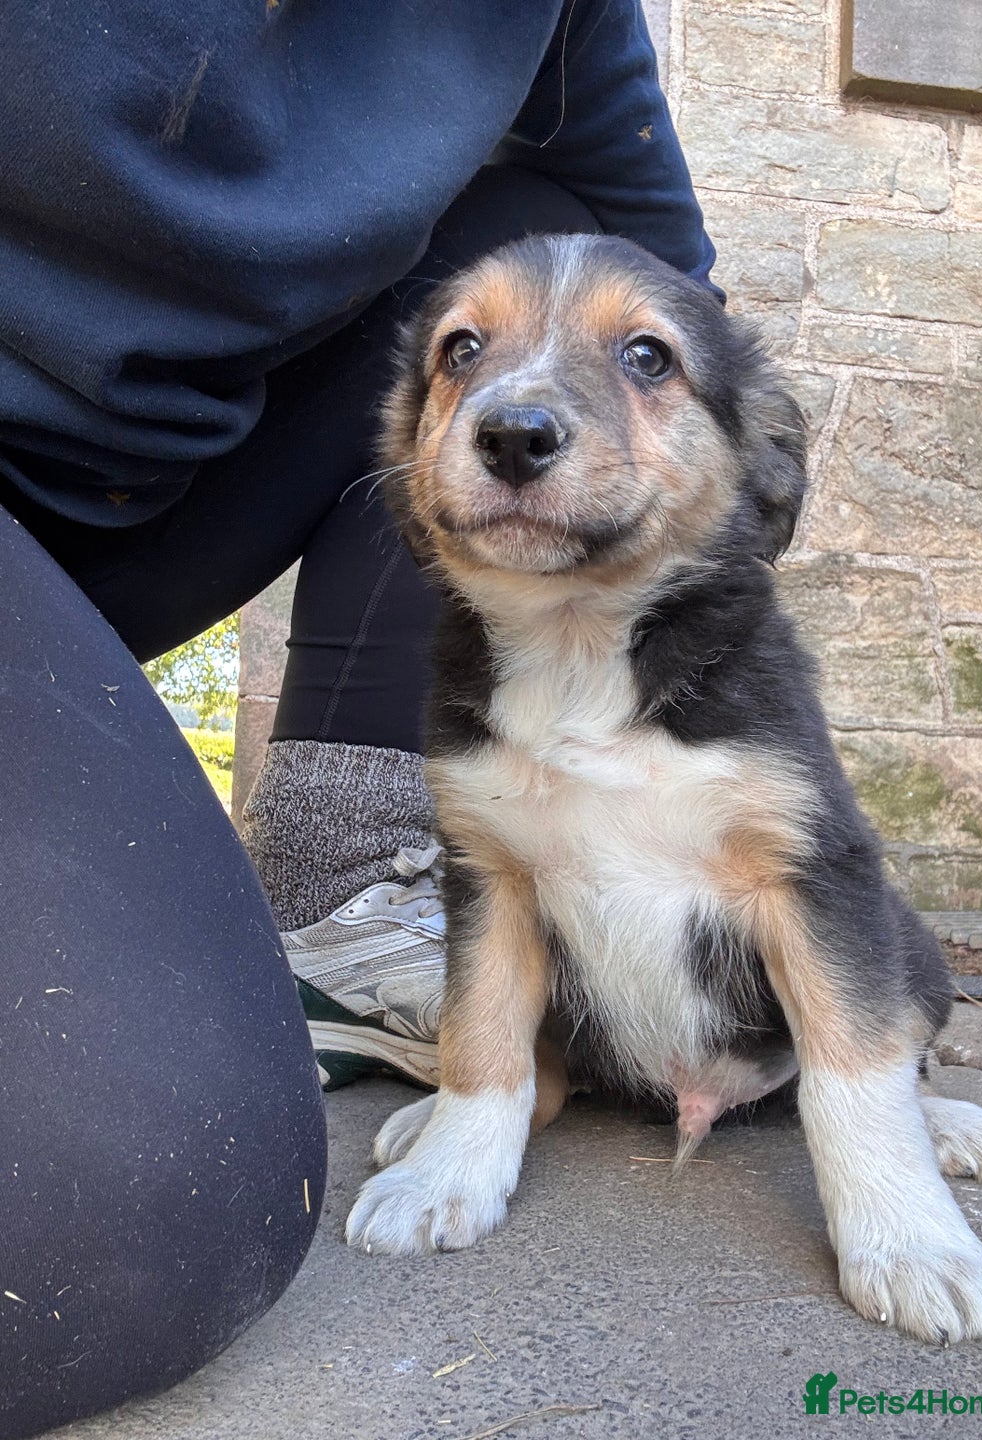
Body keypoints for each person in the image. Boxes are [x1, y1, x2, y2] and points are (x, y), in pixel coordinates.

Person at [0, 2, 720, 1434]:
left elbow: (672, 296)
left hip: (132, 506)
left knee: (539, 247)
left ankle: (345, 885)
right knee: (116, 1231)